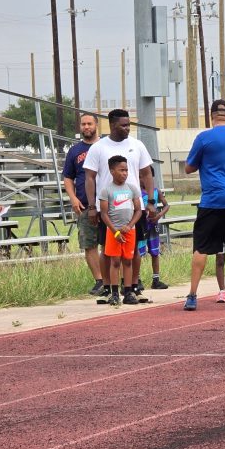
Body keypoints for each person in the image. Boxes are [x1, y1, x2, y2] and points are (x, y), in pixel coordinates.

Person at [184, 99, 225, 311]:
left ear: (212, 116)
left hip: (213, 200)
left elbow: (188, 167)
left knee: (201, 247)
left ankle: (192, 295)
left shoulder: (204, 138)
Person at [84, 109, 155, 299]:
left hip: (133, 209)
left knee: (134, 249)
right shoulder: (98, 148)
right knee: (107, 250)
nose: (127, 128)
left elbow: (147, 173)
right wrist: (92, 207)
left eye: (129, 124)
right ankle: (108, 288)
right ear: (112, 125)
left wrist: (151, 201)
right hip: (108, 209)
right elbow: (89, 178)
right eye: (123, 125)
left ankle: (133, 287)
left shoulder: (137, 145)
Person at [63, 112, 103, 295]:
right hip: (85, 204)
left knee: (110, 243)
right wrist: (73, 198)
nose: (86, 127)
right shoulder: (75, 151)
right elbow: (68, 177)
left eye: (89, 124)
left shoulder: (105, 145)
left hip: (107, 204)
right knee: (89, 244)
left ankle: (115, 280)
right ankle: (99, 280)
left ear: (96, 125)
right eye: (83, 124)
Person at [98, 156, 142, 306]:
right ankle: (115, 293)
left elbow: (138, 210)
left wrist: (129, 225)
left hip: (130, 231)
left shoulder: (132, 189)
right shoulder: (106, 190)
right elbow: (104, 214)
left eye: (126, 170)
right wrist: (115, 231)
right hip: (113, 232)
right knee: (115, 261)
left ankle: (128, 292)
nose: (125, 173)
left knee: (128, 261)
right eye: (121, 170)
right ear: (112, 171)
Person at [138, 166, 169, 289]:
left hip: (153, 225)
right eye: (140, 177)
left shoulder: (156, 191)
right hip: (141, 226)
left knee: (155, 252)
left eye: (144, 177)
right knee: (139, 253)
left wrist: (159, 215)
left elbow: (166, 205)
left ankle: (156, 280)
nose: (142, 179)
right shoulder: (137, 192)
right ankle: (137, 280)